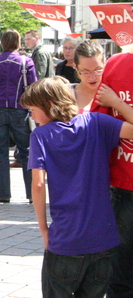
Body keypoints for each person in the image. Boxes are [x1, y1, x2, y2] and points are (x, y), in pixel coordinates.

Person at [22, 77, 133, 298]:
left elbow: (38, 183)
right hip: (103, 240)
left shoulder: (40, 136)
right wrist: (118, 104)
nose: (31, 116)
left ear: (51, 105)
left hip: (66, 239)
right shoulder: (96, 122)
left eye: (33, 110)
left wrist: (44, 229)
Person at [90, 46, 133, 297]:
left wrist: (117, 103)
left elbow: (98, 125)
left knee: (121, 271)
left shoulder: (116, 64)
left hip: (123, 181)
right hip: (123, 182)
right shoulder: (116, 65)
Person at [0, 29, 36, 203]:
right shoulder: (25, 61)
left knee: (1, 152)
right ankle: (31, 194)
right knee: (26, 151)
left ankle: (4, 193)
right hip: (20, 109)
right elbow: (33, 86)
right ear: (18, 42)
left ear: (2, 42)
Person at [66, 40, 104, 113]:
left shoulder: (114, 94)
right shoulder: (66, 94)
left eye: (98, 70)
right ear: (76, 67)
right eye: (86, 72)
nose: (92, 77)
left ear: (105, 64)